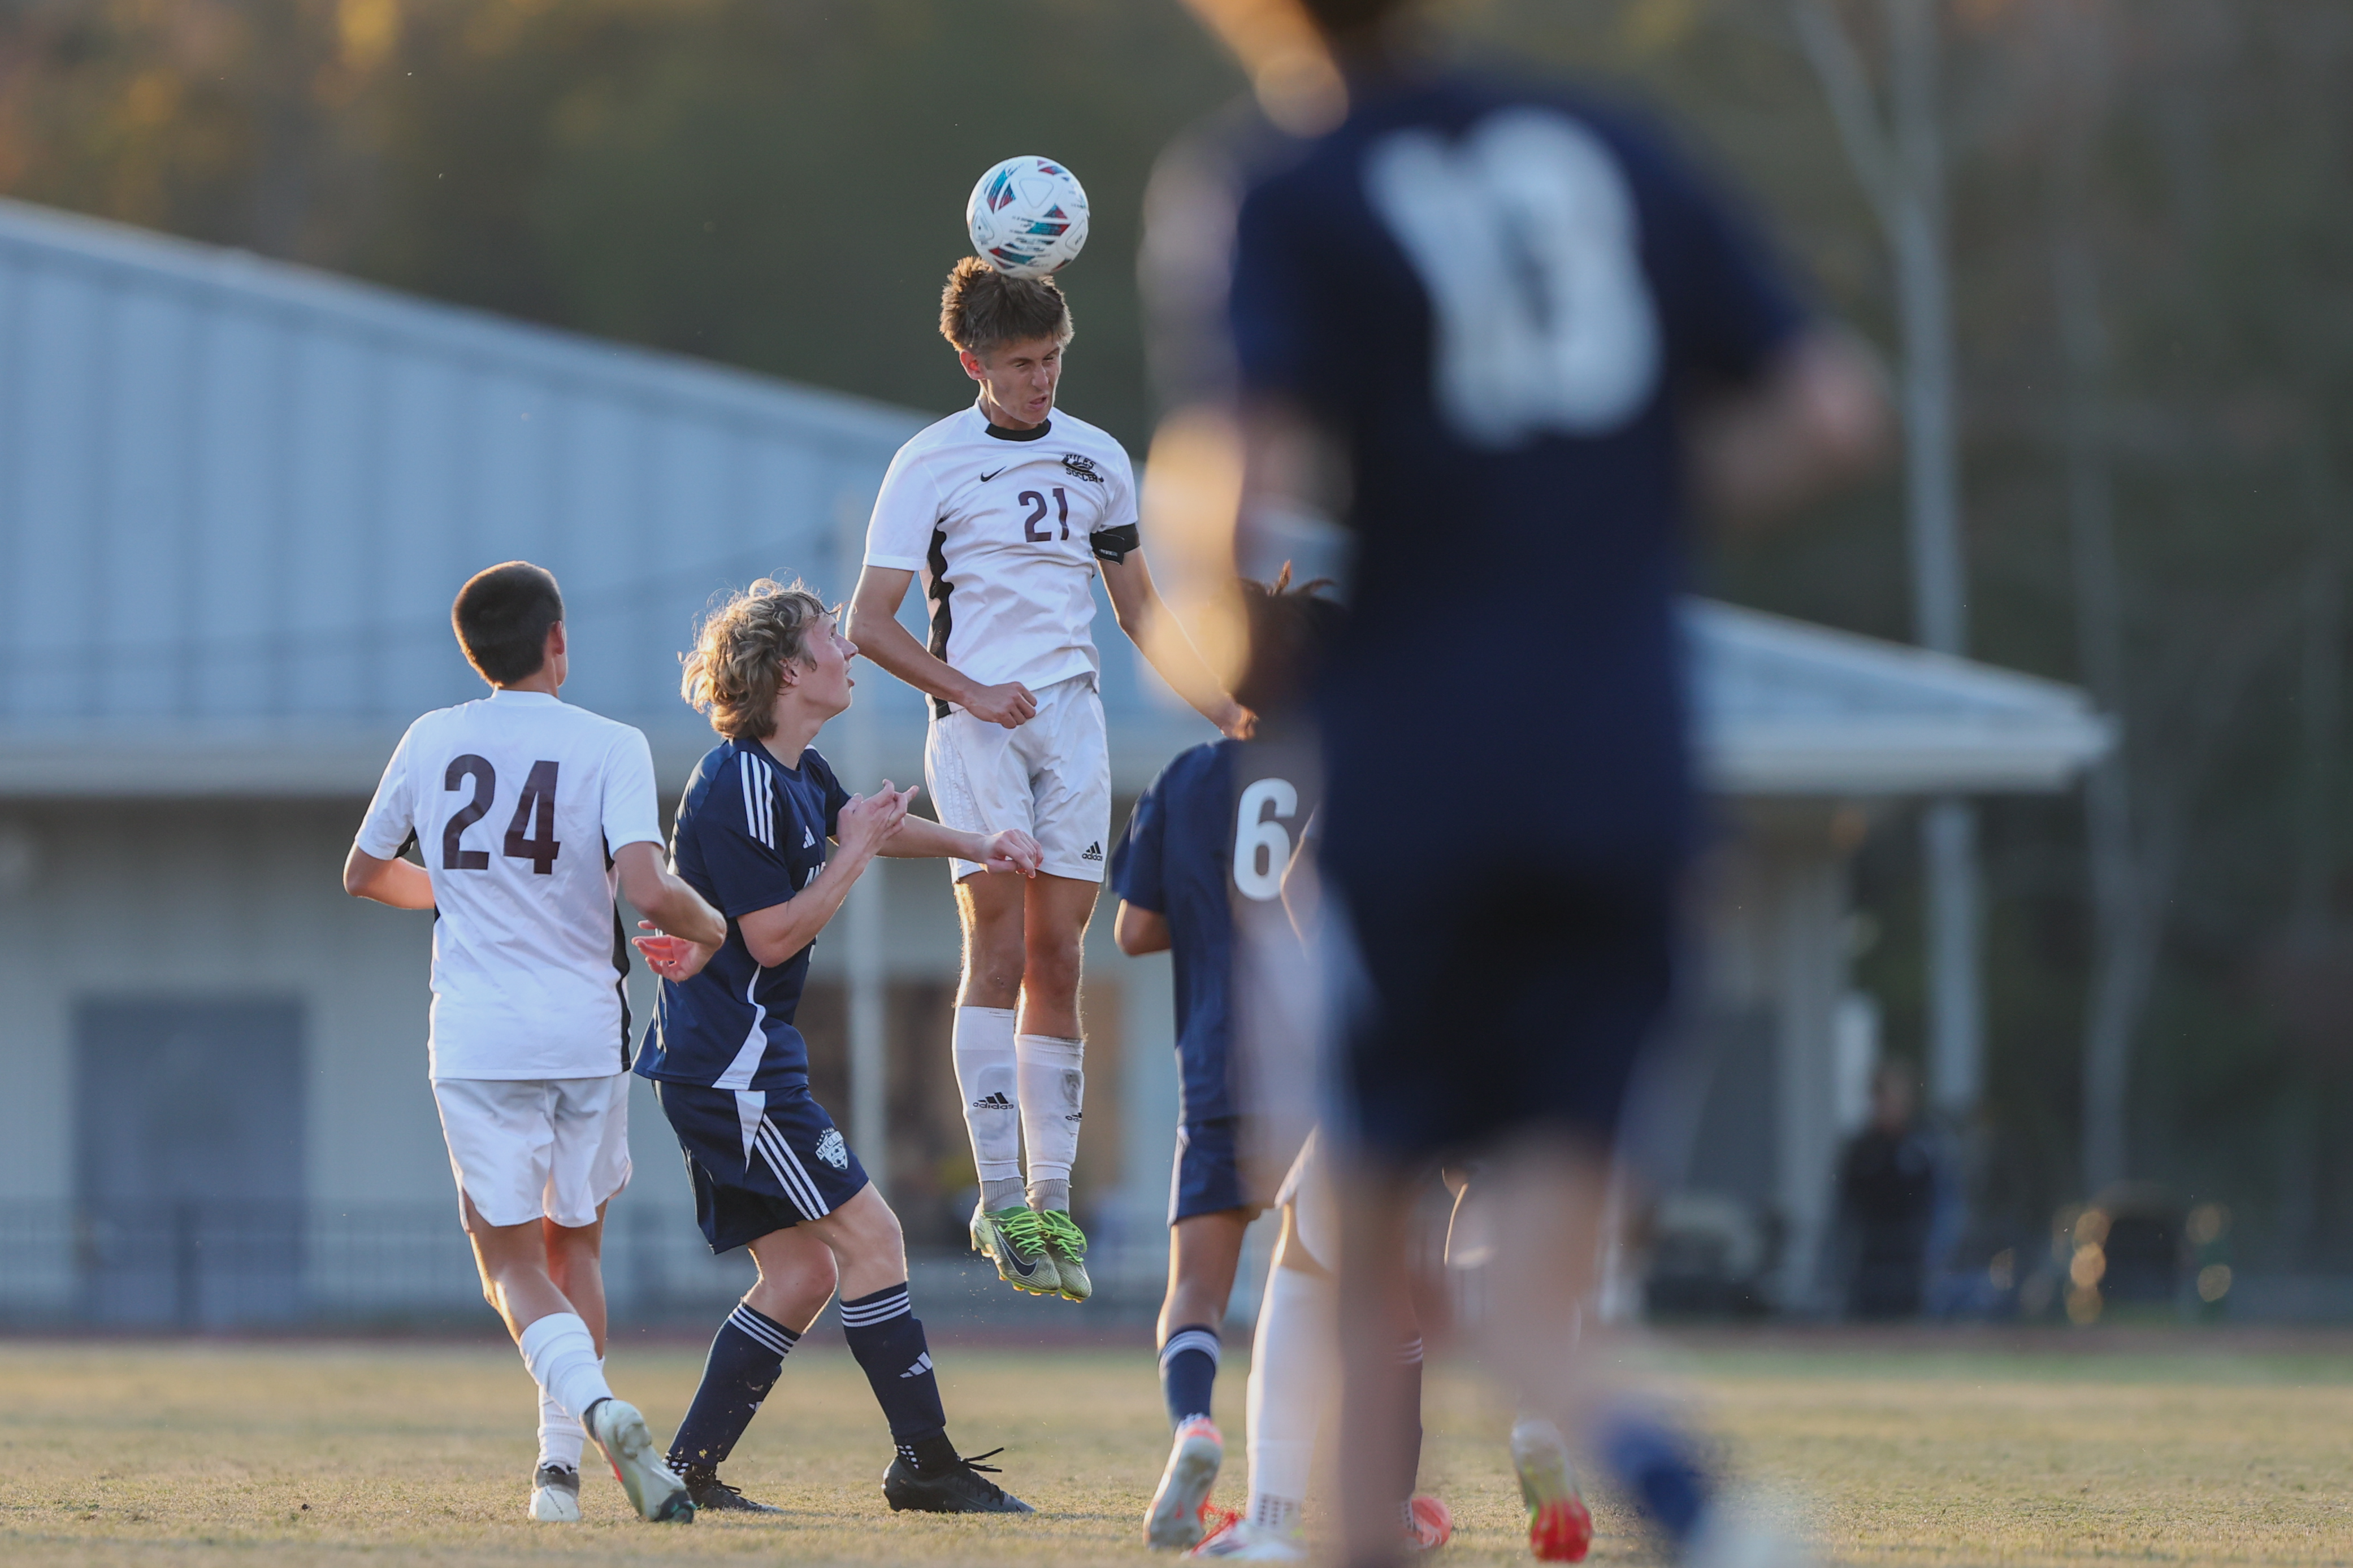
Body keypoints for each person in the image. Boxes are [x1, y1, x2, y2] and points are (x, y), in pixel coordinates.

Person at [1148, 3, 1893, 1562]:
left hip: (1427, 777)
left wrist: (1229, 641)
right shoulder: (1613, 146)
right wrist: (1603, 513)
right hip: (1627, 767)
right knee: (1530, 1274)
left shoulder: (1282, 186)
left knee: (1346, 1263)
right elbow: (1834, 410)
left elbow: (1238, 498)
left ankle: (1412, 1517)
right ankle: (1688, 1497)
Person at [846, 258, 1250, 1302]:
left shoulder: (1097, 458)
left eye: (1054, 357)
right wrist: (966, 691)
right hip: (978, 728)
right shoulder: (927, 463)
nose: (1042, 379)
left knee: (1061, 960)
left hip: (1073, 724)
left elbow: (1141, 613)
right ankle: (996, 1197)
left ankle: (1051, 1198)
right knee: (994, 945)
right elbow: (869, 623)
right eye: (1022, 363)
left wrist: (1227, 710)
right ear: (973, 360)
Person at [628, 578, 1041, 1516]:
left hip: (732, 1062)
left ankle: (681, 1473)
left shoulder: (790, 772)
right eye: (832, 639)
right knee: (875, 1237)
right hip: (732, 1069)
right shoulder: (735, 784)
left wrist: (981, 842)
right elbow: (766, 936)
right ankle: (924, 1464)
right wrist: (851, 852)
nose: (849, 651)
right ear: (789, 670)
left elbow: (868, 826)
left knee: (807, 1271)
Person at [343, 560, 727, 1526]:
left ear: (475, 654)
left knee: (508, 1265)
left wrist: (461, 894)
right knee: (577, 1247)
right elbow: (647, 888)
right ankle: (559, 1471)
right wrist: (711, 926)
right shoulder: (611, 743)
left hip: (477, 1038)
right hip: (583, 1032)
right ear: (558, 642)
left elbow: (362, 870)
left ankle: (594, 1418)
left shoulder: (433, 738)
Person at [1110, 572, 1336, 1549]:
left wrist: (1211, 922)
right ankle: (1374, 1486)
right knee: (1345, 1284)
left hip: (1217, 1058)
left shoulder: (1192, 776)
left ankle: (1194, 1426)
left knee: (1196, 1289)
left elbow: (1130, 930)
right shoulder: (1348, 768)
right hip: (1324, 1072)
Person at [1835, 1065, 1937, 1319]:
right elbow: (1843, 1212)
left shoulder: (1925, 1148)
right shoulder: (1861, 1151)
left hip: (1912, 1265)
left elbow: (1943, 1208)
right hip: (1868, 1264)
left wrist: (1934, 1259)